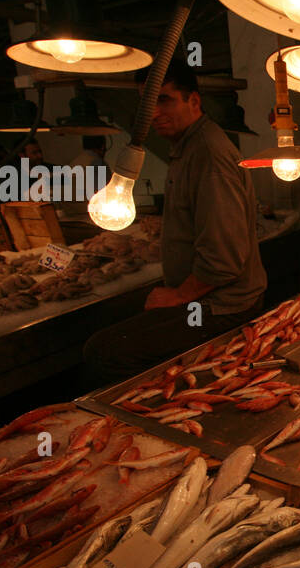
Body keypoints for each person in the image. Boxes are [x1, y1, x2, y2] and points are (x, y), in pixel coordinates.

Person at [82, 58, 267, 387]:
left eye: (163, 100)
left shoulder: (207, 153)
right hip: (208, 297)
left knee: (105, 351)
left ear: (193, 101)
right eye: (146, 103)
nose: (152, 113)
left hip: (220, 307)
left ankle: (172, 410)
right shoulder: (189, 146)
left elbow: (224, 258)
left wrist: (181, 295)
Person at [61, 135, 107, 220]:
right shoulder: (99, 164)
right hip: (93, 219)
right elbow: (107, 196)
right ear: (103, 147)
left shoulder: (73, 164)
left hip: (70, 219)